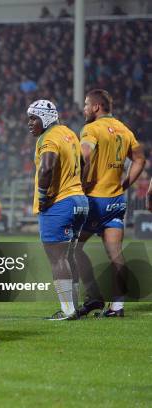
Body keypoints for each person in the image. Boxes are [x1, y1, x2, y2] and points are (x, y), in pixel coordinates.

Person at [75, 89, 145, 317]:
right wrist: (125, 184)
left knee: (73, 249)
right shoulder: (125, 130)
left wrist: (80, 181)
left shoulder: (91, 129)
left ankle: (94, 296)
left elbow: (84, 154)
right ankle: (117, 306)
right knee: (115, 253)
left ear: (96, 107)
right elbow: (140, 159)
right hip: (116, 200)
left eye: (86, 105)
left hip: (94, 199)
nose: (84, 109)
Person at [27, 99, 88, 320]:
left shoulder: (49, 137)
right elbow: (83, 162)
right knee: (68, 256)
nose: (30, 123)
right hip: (79, 200)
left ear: (47, 117)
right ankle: (74, 307)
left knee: (56, 259)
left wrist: (43, 198)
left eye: (34, 118)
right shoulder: (69, 133)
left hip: (59, 203)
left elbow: (47, 167)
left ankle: (68, 310)